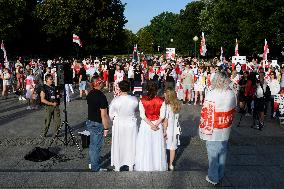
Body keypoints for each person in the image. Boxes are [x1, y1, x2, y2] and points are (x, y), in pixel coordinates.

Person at [199, 72, 236, 185]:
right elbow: (233, 109)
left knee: (213, 154)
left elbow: (206, 113)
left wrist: (204, 130)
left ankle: (213, 177)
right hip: (225, 128)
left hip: (213, 129)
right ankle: (220, 174)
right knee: (223, 152)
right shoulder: (231, 93)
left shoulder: (212, 94)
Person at [135, 82, 167, 171]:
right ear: (157, 89)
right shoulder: (161, 100)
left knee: (145, 145)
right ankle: (157, 166)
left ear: (147, 89)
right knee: (157, 146)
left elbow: (142, 116)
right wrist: (155, 125)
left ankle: (145, 166)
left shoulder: (142, 100)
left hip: (146, 125)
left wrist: (151, 125)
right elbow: (162, 116)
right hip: (157, 124)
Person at [109, 81, 138, 171]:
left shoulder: (115, 100)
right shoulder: (134, 99)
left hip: (119, 123)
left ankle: (118, 165)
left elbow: (111, 114)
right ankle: (131, 165)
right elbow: (136, 110)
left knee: (119, 144)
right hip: (131, 123)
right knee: (131, 144)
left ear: (120, 88)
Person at [86, 75, 110, 172]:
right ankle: (95, 167)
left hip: (90, 121)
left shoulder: (90, 94)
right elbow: (103, 115)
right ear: (98, 83)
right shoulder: (101, 96)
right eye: (102, 82)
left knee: (92, 144)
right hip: (97, 123)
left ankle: (91, 162)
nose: (103, 83)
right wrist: (106, 128)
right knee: (96, 146)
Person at [163, 88, 181, 171]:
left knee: (165, 147)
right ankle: (171, 164)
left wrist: (164, 131)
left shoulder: (167, 106)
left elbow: (166, 121)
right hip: (175, 129)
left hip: (169, 129)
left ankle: (165, 163)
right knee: (173, 148)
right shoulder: (177, 105)